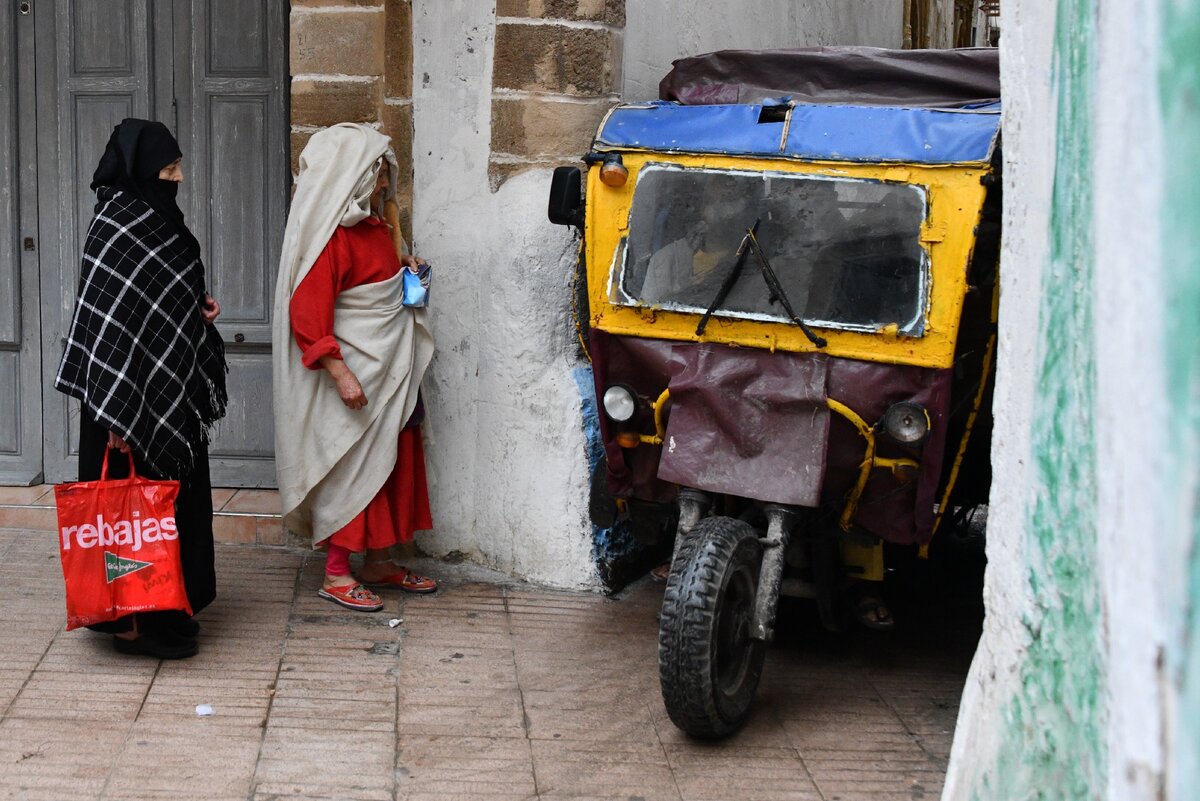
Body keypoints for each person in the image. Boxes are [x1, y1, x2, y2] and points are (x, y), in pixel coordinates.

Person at [55, 118, 227, 659]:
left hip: (168, 399)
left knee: (166, 506)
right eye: (168, 169)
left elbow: (168, 296)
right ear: (140, 170)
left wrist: (198, 309)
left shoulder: (162, 222)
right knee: (130, 509)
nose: (176, 179)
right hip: (122, 405)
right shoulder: (115, 228)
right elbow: (109, 325)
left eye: (177, 169)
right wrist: (116, 422)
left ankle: (166, 608)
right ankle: (133, 624)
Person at [272, 123, 437, 612]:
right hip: (358, 373)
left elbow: (379, 292)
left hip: (392, 369)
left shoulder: (379, 229)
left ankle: (382, 561)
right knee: (354, 468)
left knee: (391, 461)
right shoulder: (330, 241)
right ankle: (338, 573)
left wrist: (407, 271)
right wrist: (341, 373)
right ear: (356, 177)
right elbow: (308, 313)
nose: (386, 182)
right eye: (378, 172)